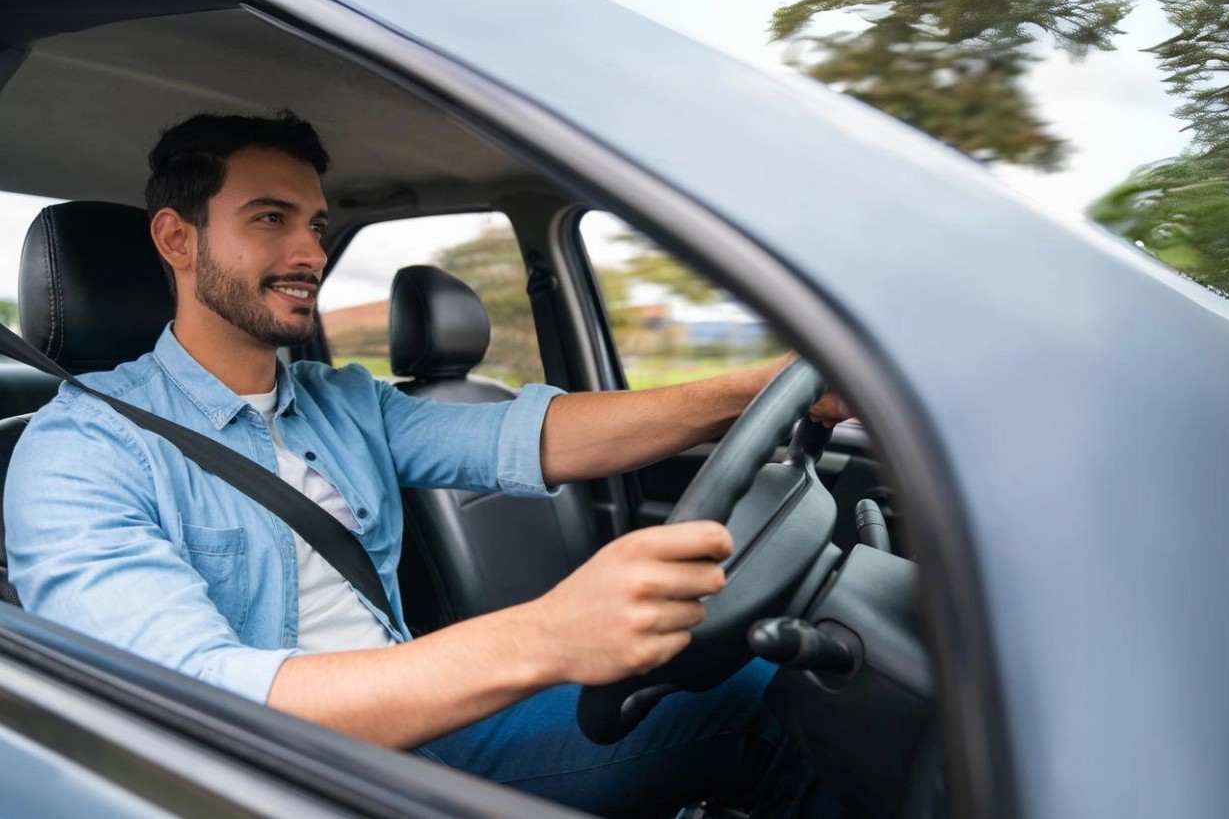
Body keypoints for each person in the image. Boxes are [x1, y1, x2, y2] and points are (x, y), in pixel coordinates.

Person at [4, 112, 847, 816]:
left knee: (783, 689)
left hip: (421, 732)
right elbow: (196, 699)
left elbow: (540, 439)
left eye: (317, 226)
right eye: (270, 219)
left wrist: (755, 388)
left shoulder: (342, 400)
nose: (309, 253)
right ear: (176, 239)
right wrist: (549, 635)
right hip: (276, 781)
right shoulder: (82, 451)